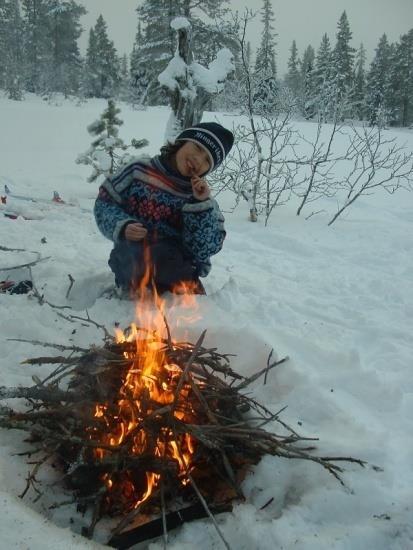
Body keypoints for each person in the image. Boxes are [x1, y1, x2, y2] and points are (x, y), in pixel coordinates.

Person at [94, 122, 234, 296]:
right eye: (197, 147)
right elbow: (105, 203)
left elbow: (205, 248)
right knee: (132, 254)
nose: (199, 159)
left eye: (207, 160)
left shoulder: (202, 200)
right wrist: (121, 226)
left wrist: (200, 206)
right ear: (181, 142)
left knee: (168, 259)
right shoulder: (138, 171)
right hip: (131, 262)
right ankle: (133, 296)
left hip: (178, 272)